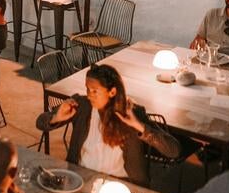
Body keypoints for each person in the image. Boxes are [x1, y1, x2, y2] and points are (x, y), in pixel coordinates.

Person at [36, 64, 180, 186]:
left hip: (120, 184)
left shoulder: (131, 112)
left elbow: (174, 150)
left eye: (95, 91)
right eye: (87, 89)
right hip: (82, 178)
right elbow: (40, 122)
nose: (89, 95)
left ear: (112, 92)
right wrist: (56, 117)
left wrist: (140, 126)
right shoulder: (82, 106)